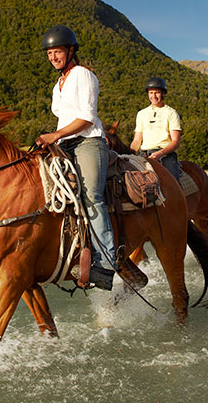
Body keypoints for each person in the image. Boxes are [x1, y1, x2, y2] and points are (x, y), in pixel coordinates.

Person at [34, 25, 123, 290]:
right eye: (49, 53)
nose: (53, 57)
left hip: (88, 142)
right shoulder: (57, 84)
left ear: (71, 50)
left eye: (57, 51)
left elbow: (85, 118)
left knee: (91, 197)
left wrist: (54, 135)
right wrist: (52, 139)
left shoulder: (83, 75)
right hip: (65, 143)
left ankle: (106, 263)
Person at [129, 77, 182, 182]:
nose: (153, 96)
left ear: (163, 93)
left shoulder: (171, 113)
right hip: (144, 154)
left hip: (165, 155)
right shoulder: (141, 114)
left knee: (173, 183)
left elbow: (176, 141)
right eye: (151, 93)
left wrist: (159, 154)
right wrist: (130, 155)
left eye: (157, 93)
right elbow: (137, 140)